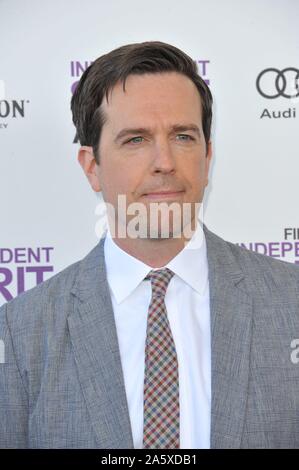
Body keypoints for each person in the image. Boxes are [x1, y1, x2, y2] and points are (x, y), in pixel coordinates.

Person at [1, 41, 299, 450]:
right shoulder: (20, 332)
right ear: (92, 166)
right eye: (136, 139)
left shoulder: (291, 303)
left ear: (207, 157)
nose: (165, 161)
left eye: (182, 136)